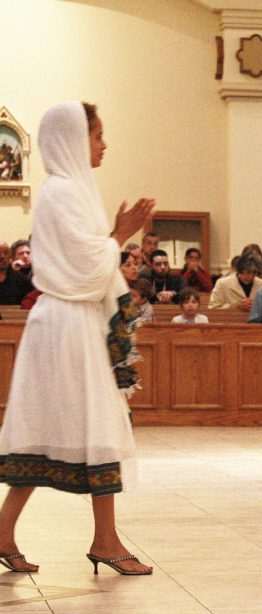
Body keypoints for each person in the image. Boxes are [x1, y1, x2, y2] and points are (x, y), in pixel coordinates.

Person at [0, 101, 154, 575]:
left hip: (73, 322)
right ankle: (98, 541)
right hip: (66, 326)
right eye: (96, 135)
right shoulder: (61, 193)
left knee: (85, 426)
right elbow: (86, 267)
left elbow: (86, 260)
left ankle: (85, 537)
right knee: (82, 426)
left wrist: (112, 235)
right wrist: (121, 235)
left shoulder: (75, 192)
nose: (103, 144)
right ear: (71, 138)